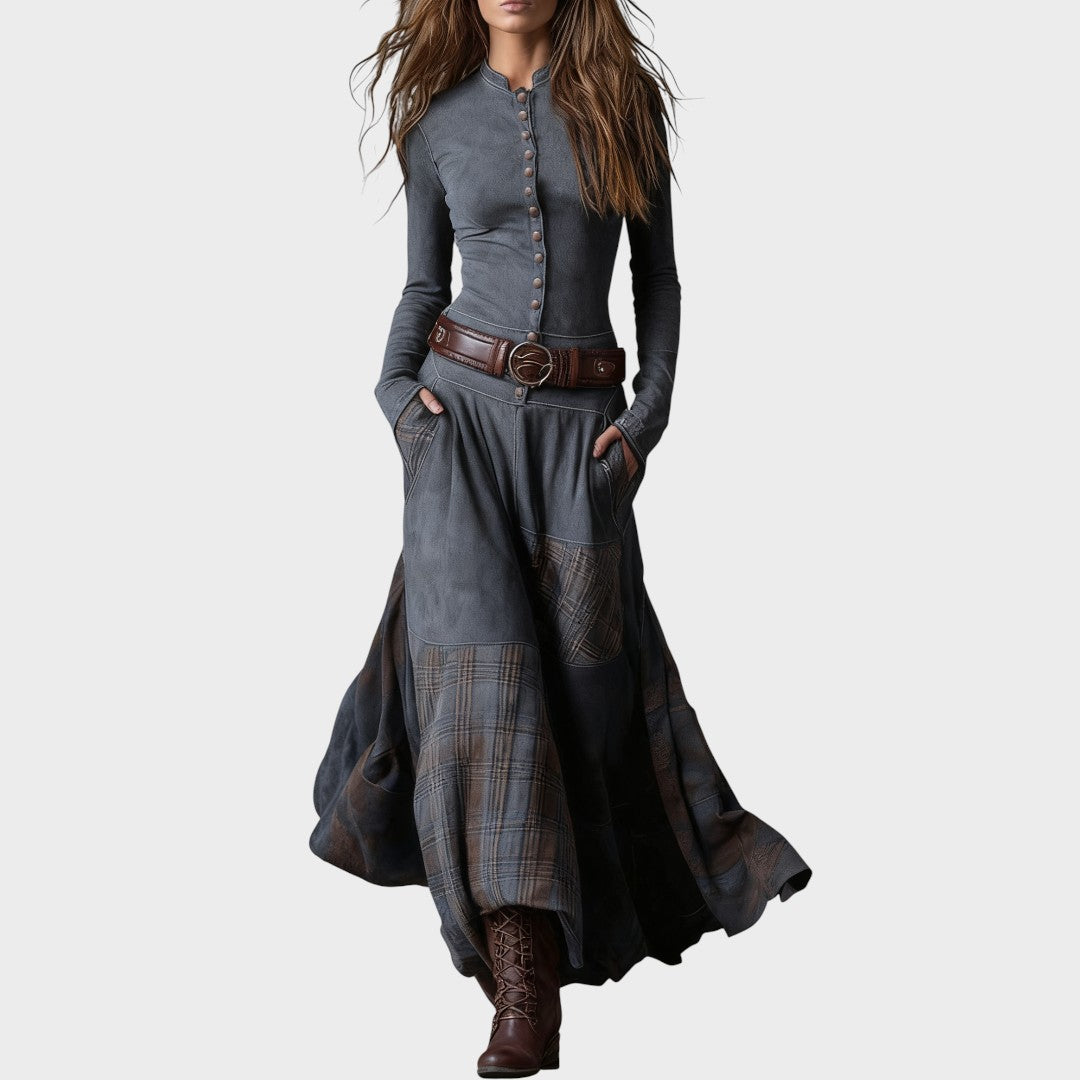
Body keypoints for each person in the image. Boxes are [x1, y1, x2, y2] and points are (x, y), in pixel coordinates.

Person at [309, 1, 812, 1075]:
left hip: (584, 442)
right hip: (458, 429)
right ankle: (522, 988)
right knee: (481, 690)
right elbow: (423, 286)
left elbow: (657, 280)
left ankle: (567, 928)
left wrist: (646, 423)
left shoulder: (625, 105)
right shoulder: (435, 120)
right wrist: (396, 398)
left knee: (585, 698)